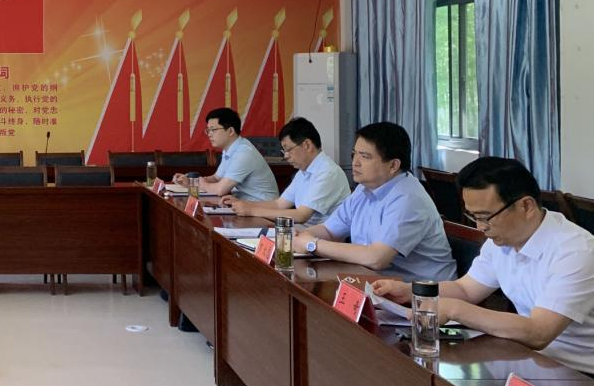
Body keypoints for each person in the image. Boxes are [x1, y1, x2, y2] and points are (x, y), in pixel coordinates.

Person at [373, 157, 594, 374]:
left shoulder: (575, 252)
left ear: (526, 206)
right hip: (531, 358)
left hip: (579, 373)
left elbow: (539, 332)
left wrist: (455, 310)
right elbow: (465, 289)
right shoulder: (502, 240)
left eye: (486, 217)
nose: (480, 227)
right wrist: (411, 291)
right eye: (473, 216)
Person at [293, 122, 456, 282]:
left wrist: (312, 244)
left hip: (424, 293)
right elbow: (329, 231)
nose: (355, 162)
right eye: (354, 154)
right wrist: (298, 236)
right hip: (377, 281)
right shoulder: (363, 189)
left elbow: (377, 258)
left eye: (365, 157)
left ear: (393, 165)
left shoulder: (408, 199)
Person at [221, 117, 350, 225]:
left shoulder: (327, 172)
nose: (286, 156)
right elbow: (279, 204)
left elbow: (301, 215)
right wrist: (242, 203)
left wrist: (251, 211)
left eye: (288, 150)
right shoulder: (303, 172)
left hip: (321, 240)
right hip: (302, 234)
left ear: (307, 145)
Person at [172, 107, 278, 201]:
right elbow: (216, 178)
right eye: (208, 130)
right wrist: (190, 180)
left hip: (261, 209)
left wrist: (198, 184)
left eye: (213, 130)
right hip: (243, 205)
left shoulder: (244, 153)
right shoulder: (230, 149)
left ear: (230, 131)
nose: (209, 134)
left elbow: (220, 190)